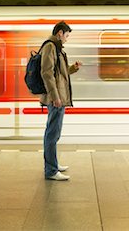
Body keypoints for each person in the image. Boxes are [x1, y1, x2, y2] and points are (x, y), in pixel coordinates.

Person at [40, 21, 82, 181]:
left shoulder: (56, 49)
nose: (67, 39)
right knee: (52, 134)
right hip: (56, 98)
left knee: (54, 134)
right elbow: (47, 73)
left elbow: (59, 74)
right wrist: (55, 96)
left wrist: (72, 68)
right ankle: (50, 170)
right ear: (60, 33)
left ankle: (53, 164)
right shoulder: (50, 47)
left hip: (58, 97)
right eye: (67, 35)